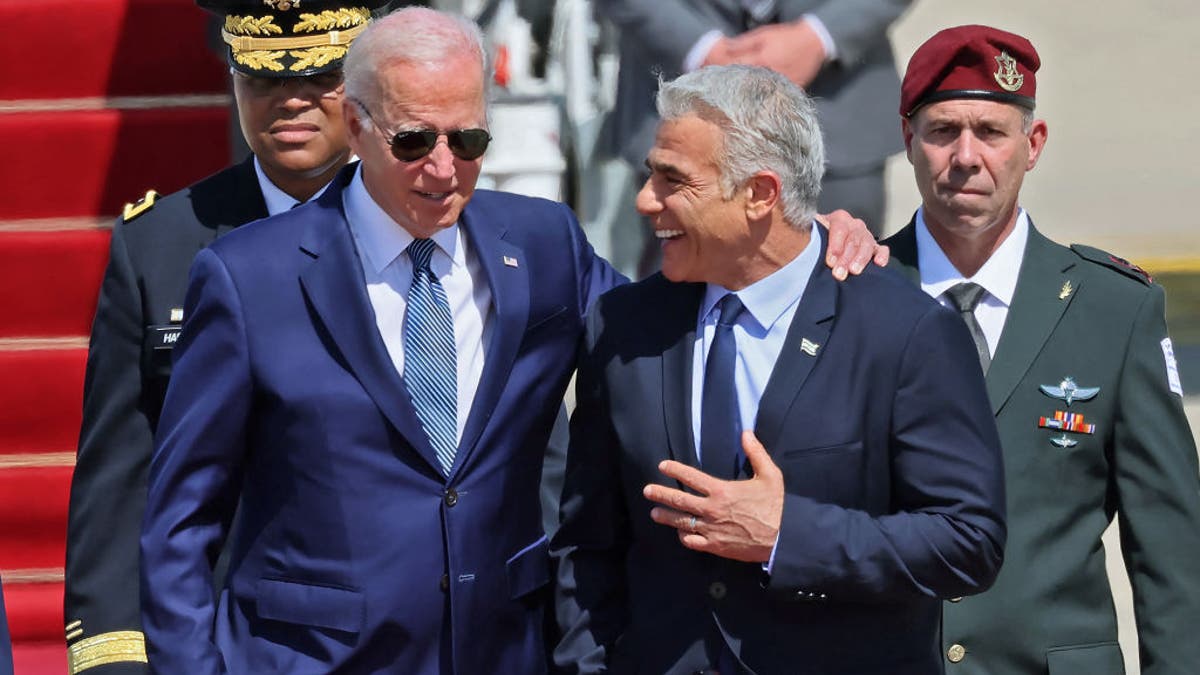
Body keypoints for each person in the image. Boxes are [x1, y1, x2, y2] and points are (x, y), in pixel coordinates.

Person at [552, 64, 1007, 675]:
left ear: (761, 194)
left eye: (672, 180)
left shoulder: (905, 332)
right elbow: (589, 546)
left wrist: (788, 535)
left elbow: (967, 542)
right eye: (649, 173)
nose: (645, 200)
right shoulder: (624, 324)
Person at [62, 1, 386, 671]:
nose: (290, 101)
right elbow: (120, 475)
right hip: (224, 640)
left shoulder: (429, 230)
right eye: (264, 78)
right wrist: (115, 656)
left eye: (321, 76)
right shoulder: (159, 245)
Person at [882, 25, 1200, 674]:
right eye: (943, 131)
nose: (966, 155)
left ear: (1033, 145)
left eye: (992, 132)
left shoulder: (1114, 310)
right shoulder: (853, 295)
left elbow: (1171, 554)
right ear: (907, 141)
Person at [596, 0, 910, 276]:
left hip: (839, 104)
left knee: (844, 277)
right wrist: (700, 49)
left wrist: (818, 37)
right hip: (678, 94)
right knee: (677, 297)